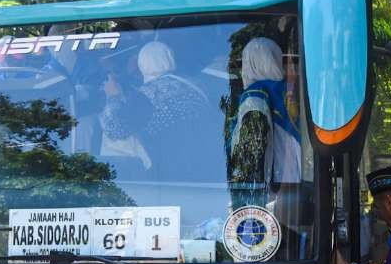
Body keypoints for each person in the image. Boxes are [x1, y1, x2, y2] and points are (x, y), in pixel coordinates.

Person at [100, 40, 212, 176]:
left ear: (141, 65)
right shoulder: (196, 84)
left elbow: (114, 129)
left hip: (168, 170)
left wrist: (114, 96)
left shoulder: (145, 96)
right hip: (205, 161)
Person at [227, 37, 302, 208]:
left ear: (250, 62)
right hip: (295, 181)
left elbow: (251, 152)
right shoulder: (291, 92)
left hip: (271, 190)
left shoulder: (254, 95)